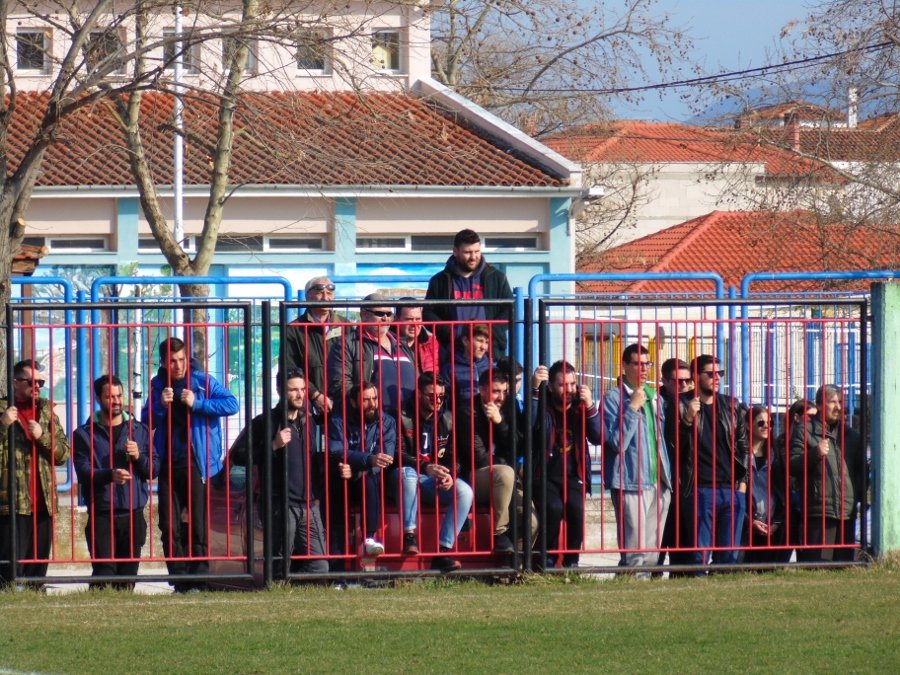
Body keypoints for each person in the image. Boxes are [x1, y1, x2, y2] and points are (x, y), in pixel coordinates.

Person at [145, 337, 239, 593]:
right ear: (163, 362)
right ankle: (179, 579)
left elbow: (232, 404)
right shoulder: (157, 385)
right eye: (172, 361)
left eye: (182, 359)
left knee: (198, 524)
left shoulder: (202, 381)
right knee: (169, 525)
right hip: (167, 463)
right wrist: (160, 405)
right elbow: (146, 421)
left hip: (198, 463)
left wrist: (196, 403)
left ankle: (199, 579)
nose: (178, 365)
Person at [230, 368, 329, 578]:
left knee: (320, 566)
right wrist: (272, 445)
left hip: (309, 505)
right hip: (280, 504)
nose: (300, 394)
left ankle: (300, 600)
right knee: (279, 563)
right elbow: (238, 455)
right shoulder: (265, 421)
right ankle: (277, 594)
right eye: (293, 390)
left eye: (302, 389)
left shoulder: (310, 421)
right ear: (280, 390)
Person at [73, 374, 156, 590]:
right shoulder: (83, 434)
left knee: (128, 575)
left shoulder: (140, 430)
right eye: (110, 396)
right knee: (103, 572)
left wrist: (139, 457)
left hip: (133, 511)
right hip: (102, 511)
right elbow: (83, 472)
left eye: (119, 395)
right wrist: (109, 475)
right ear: (99, 399)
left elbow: (153, 470)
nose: (117, 400)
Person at [602, 344, 672, 576]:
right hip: (630, 480)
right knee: (634, 551)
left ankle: (641, 590)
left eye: (647, 364)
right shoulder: (613, 399)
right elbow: (616, 443)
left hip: (658, 481)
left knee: (652, 551)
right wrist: (632, 407)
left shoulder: (655, 398)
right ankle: (630, 587)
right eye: (637, 364)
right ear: (624, 365)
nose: (644, 369)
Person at [0, 360, 70, 589]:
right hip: (12, 503)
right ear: (15, 383)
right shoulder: (3, 410)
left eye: (41, 382)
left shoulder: (46, 410)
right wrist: (2, 425)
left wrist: (42, 436)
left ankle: (35, 597)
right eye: (31, 382)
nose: (37, 386)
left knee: (37, 568)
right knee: (9, 569)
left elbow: (63, 454)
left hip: (43, 503)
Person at [678, 355, 748, 568]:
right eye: (710, 374)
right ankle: (698, 588)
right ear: (696, 377)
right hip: (701, 489)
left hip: (731, 489)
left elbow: (743, 446)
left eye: (720, 373)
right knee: (700, 554)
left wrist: (742, 485)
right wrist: (688, 418)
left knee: (729, 556)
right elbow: (674, 445)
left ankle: (723, 591)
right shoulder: (682, 404)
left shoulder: (731, 405)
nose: (716, 378)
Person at [398, 372, 473, 572]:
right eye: (432, 396)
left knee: (465, 491)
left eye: (441, 396)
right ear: (418, 394)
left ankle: (443, 551)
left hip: (432, 480)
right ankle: (409, 536)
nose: (437, 401)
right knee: (408, 474)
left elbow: (454, 455)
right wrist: (425, 467)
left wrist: (449, 474)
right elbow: (397, 453)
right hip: (405, 478)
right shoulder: (402, 415)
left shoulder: (447, 418)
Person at [531, 360, 602, 568]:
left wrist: (590, 405)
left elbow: (598, 436)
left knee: (576, 507)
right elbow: (532, 425)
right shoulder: (542, 404)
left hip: (574, 474)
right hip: (544, 474)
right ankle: (548, 558)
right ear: (551, 386)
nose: (569, 389)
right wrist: (535, 389)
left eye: (572, 384)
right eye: (563, 385)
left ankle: (572, 561)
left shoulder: (581, 407)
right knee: (553, 508)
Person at [790, 385, 864, 563]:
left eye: (840, 402)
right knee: (818, 566)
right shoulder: (804, 430)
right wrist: (815, 453)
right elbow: (792, 466)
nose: (838, 407)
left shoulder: (852, 436)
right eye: (833, 402)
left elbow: (861, 471)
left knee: (844, 567)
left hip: (847, 511)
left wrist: (857, 496)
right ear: (821, 405)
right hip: (819, 510)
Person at [327, 381, 395, 564]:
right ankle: (337, 570)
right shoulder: (338, 421)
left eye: (375, 398)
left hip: (368, 479)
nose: (372, 404)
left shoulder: (387, 421)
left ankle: (369, 538)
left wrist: (358, 466)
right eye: (366, 400)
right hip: (342, 478)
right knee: (335, 493)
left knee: (369, 478)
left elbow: (385, 457)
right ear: (354, 402)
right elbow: (337, 451)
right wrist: (364, 461)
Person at [455, 369, 519, 555]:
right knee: (505, 473)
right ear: (482, 390)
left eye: (504, 391)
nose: (501, 397)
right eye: (495, 391)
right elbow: (479, 458)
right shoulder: (468, 411)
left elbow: (517, 447)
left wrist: (500, 423)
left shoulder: (508, 406)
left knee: (531, 521)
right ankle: (499, 534)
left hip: (506, 475)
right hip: (475, 476)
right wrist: (507, 462)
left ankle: (517, 566)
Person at [424, 228, 513, 357]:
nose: (473, 257)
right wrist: (450, 332)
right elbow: (428, 313)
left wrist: (489, 332)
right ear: (455, 251)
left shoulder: (497, 277)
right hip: (453, 353)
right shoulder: (439, 280)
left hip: (489, 353)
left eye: (477, 251)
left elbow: (510, 310)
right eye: (467, 252)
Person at [328, 293, 416, 416]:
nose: (385, 318)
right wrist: (367, 409)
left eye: (389, 314)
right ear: (364, 314)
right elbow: (340, 385)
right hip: (371, 424)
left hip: (408, 423)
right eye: (380, 314)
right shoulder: (346, 345)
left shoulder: (403, 345)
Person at [281, 276, 344, 413]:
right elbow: (290, 369)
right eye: (320, 292)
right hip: (308, 399)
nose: (325, 298)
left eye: (329, 293)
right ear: (308, 296)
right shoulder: (294, 329)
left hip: (341, 397)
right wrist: (315, 395)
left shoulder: (346, 326)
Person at [657, 357, 693, 573]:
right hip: (661, 480)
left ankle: (682, 576)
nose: (683, 386)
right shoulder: (656, 403)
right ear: (664, 380)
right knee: (660, 538)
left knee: (684, 540)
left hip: (687, 481)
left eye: (687, 381)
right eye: (677, 381)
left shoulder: (693, 403)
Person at [772, 398, 817, 561]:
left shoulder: (815, 440)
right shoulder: (782, 442)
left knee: (807, 550)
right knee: (784, 547)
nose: (814, 420)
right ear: (797, 417)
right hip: (788, 503)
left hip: (808, 500)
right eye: (809, 416)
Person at [742, 405, 786, 565]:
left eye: (770, 422)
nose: (767, 426)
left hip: (772, 523)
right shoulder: (741, 454)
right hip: (747, 524)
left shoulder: (776, 455)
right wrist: (749, 521)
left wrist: (777, 521)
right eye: (761, 423)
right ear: (748, 425)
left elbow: (782, 491)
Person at [442, 323, 492, 406]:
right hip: (462, 417)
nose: (484, 347)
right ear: (465, 341)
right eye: (480, 341)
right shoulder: (450, 369)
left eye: (487, 342)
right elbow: (445, 402)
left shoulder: (491, 367)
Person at [395, 301, 440, 375]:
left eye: (418, 319)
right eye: (409, 319)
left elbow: (436, 375)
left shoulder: (431, 342)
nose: (414, 324)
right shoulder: (388, 343)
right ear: (396, 320)